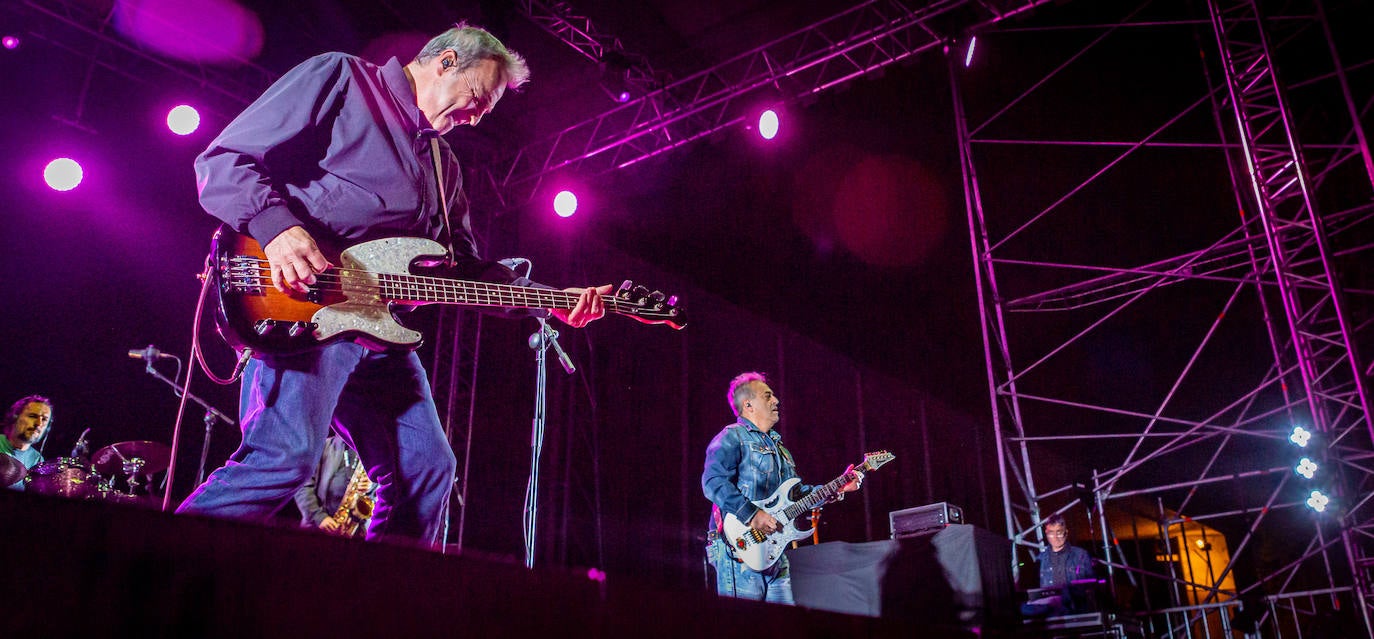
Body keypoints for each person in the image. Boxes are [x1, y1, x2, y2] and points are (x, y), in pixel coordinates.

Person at [178, 22, 612, 548]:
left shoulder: (444, 166)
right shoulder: (343, 78)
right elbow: (223, 161)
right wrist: (279, 230)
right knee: (284, 460)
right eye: (477, 99)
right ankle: (147, 564)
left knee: (427, 472)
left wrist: (551, 301)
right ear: (446, 61)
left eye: (485, 113)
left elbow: (464, 273)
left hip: (377, 337)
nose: (475, 118)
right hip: (299, 304)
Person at [701, 372, 861, 604]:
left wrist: (838, 488)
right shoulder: (732, 436)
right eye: (767, 396)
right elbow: (712, 482)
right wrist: (752, 514)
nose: (776, 401)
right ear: (748, 404)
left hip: (773, 550)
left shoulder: (779, 448)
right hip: (737, 550)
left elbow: (796, 497)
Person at [294, 434, 375, 535]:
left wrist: (370, 487)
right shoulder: (323, 446)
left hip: (353, 531)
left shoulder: (371, 454)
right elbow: (302, 486)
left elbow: (377, 501)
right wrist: (318, 517)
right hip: (316, 528)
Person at [1022, 513, 1095, 616]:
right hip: (1051, 610)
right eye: (1051, 533)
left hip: (1075, 607)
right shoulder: (1040, 559)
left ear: (1066, 532)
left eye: (1059, 532)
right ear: (1046, 534)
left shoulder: (1081, 555)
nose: (1055, 537)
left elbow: (1091, 585)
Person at [1, 395, 53, 491]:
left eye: (44, 419)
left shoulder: (38, 459)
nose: (39, 423)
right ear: (14, 417)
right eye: (33, 416)